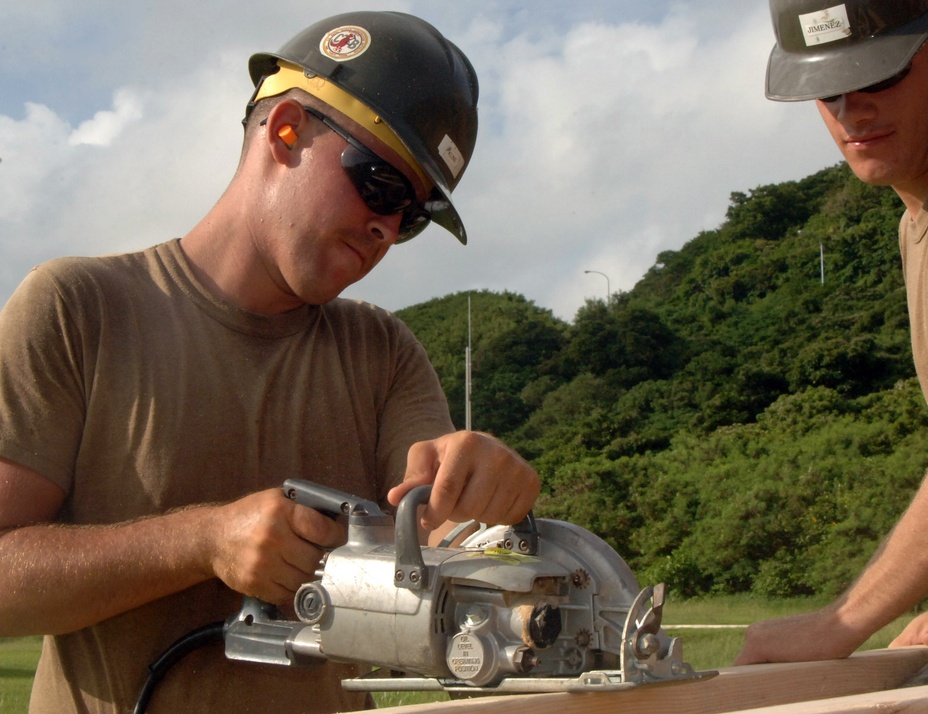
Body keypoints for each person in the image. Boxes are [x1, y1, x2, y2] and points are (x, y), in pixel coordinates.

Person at [0, 11, 539, 713]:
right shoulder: (78, 308)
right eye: (378, 183)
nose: (384, 227)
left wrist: (487, 503)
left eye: (409, 216)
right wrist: (200, 541)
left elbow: (440, 537)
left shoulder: (383, 354)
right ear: (286, 130)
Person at [736, 0, 928, 669]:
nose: (851, 113)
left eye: (878, 78)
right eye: (826, 90)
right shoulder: (922, 215)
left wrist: (840, 621)